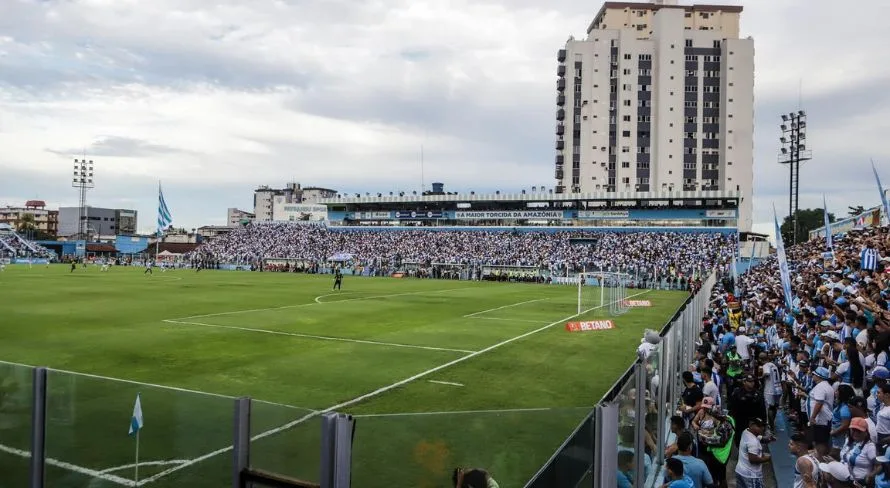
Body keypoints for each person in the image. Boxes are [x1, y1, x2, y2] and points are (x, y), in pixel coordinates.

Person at [838, 417, 877, 485]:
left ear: (866, 433)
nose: (855, 433)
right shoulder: (848, 440)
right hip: (844, 478)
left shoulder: (870, 446)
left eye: (859, 431)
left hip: (859, 482)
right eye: (853, 430)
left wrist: (871, 475)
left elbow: (879, 465)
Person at [734, 418, 770, 488]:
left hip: (740, 472)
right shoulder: (753, 442)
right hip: (751, 476)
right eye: (759, 426)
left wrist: (765, 438)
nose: (762, 428)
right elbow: (753, 459)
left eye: (762, 426)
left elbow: (757, 436)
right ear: (751, 425)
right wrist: (767, 458)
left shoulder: (745, 431)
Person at [809, 366, 835, 446]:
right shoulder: (826, 385)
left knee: (820, 443)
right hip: (824, 419)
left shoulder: (821, 387)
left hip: (820, 420)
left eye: (814, 374)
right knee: (821, 441)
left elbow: (819, 402)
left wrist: (813, 417)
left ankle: (819, 456)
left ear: (818, 376)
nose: (812, 376)